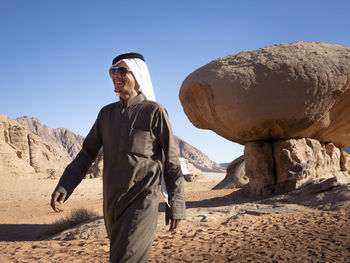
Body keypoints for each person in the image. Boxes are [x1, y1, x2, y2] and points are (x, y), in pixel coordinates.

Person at [50, 52, 186, 262]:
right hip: (112, 202)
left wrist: (175, 204)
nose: (116, 75)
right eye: (112, 71)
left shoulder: (154, 112)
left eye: (122, 70)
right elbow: (86, 154)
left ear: (137, 74)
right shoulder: (106, 114)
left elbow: (172, 162)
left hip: (142, 200)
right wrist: (65, 185)